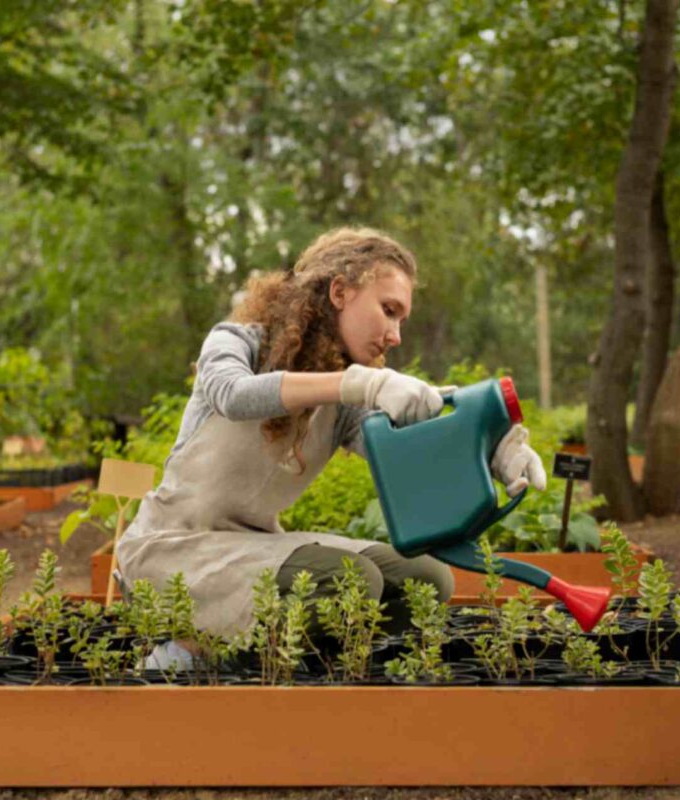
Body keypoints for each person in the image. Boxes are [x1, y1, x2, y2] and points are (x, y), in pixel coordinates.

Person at [115, 226, 546, 669]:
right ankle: (192, 654)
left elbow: (409, 453)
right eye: (389, 310)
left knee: (425, 579)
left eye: (401, 319)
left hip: (252, 547)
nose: (395, 334)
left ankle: (302, 669)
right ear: (339, 291)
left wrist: (491, 450)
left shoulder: (342, 405)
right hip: (172, 549)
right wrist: (357, 383)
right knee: (349, 581)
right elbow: (233, 394)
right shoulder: (236, 342)